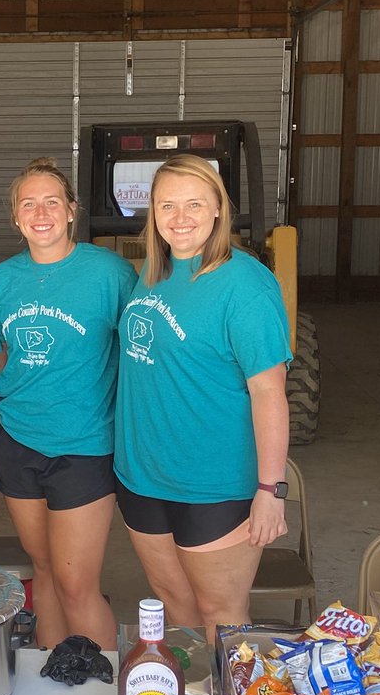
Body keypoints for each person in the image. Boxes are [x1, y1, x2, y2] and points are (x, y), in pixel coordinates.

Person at [113, 153, 292, 641]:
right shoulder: (154, 271)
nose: (180, 217)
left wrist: (271, 491)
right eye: (167, 205)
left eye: (194, 203)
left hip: (214, 484)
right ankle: (196, 690)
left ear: (218, 208)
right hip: (143, 476)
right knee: (174, 602)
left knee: (222, 615)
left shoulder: (245, 285)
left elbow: (269, 392)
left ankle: (231, 694)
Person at [0, 157, 137, 650]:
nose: (41, 212)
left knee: (76, 583)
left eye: (52, 201)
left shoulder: (109, 274)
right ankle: (52, 676)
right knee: (44, 570)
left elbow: (141, 352)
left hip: (84, 444)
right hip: (18, 440)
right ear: (15, 217)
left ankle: (104, 683)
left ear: (72, 210)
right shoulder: (1, 280)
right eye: (28, 204)